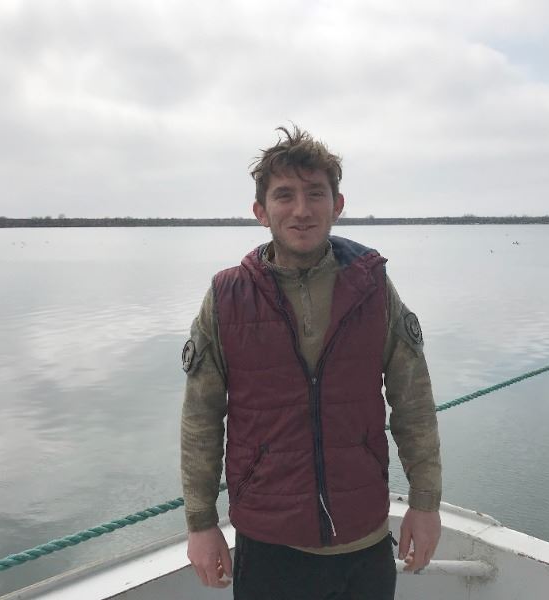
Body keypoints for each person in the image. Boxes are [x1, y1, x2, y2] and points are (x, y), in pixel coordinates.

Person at [180, 125, 441, 599]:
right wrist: (200, 523)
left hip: (362, 539)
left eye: (315, 193)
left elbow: (413, 403)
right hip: (269, 543)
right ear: (261, 212)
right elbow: (201, 416)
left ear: (337, 205)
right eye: (284, 195)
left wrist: (425, 504)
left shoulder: (372, 287)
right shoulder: (227, 297)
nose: (301, 209)